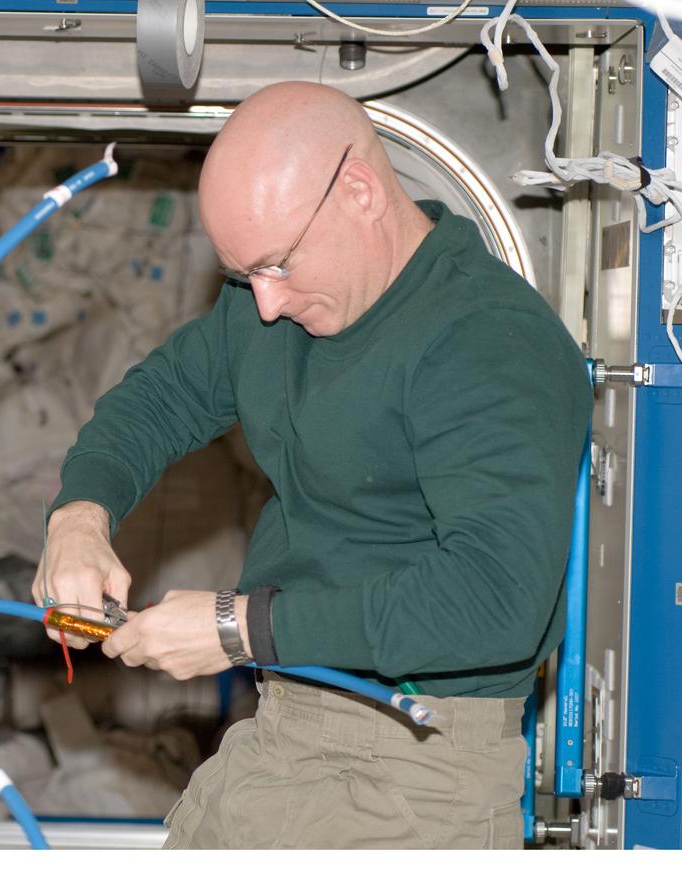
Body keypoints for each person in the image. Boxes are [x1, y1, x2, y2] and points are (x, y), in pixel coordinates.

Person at [31, 81, 592, 849]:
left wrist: (239, 628)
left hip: (416, 775)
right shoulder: (279, 301)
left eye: (276, 266)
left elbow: (492, 601)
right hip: (285, 729)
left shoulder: (487, 343)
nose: (263, 304)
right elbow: (159, 398)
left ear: (359, 190)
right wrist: (79, 517)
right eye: (244, 276)